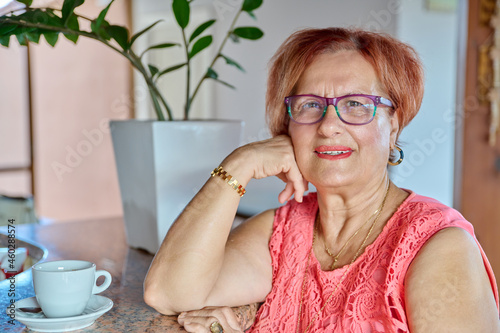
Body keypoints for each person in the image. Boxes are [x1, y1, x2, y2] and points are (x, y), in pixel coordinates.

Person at [144, 27, 500, 332]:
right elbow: (168, 293)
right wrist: (240, 164)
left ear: (392, 125)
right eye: (310, 105)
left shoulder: (438, 245)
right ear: (287, 127)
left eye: (357, 105)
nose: (329, 125)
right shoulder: (281, 233)